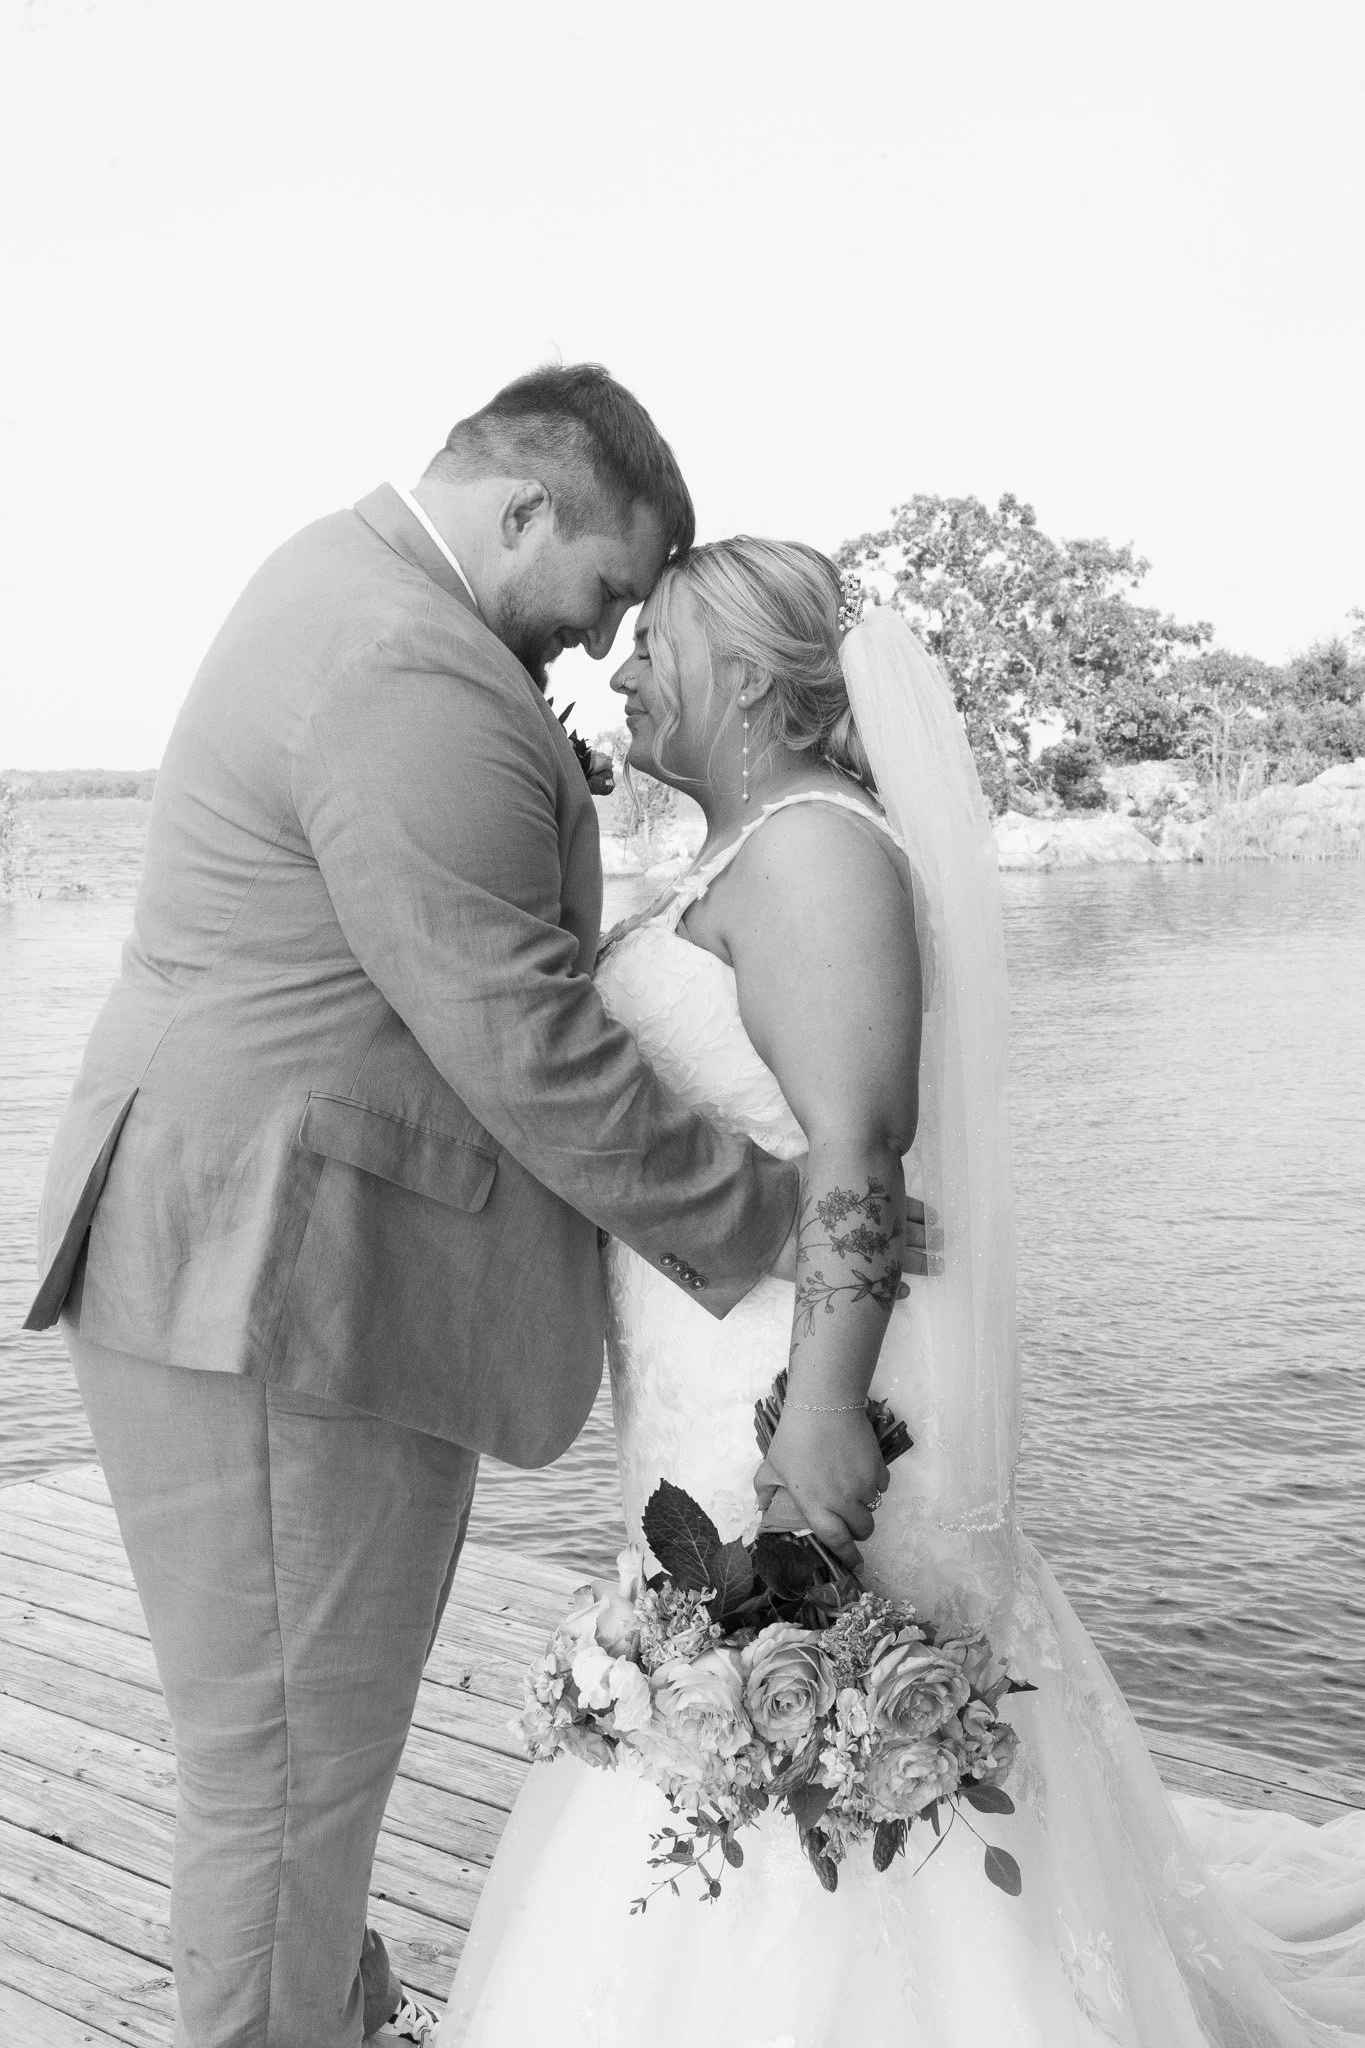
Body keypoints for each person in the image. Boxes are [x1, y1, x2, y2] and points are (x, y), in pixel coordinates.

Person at [439, 539, 1365, 2045]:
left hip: (790, 1384)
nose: (630, 669)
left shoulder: (813, 851)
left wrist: (814, 1422)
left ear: (747, 674)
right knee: (730, 1709)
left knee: (816, 1690)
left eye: (661, 642)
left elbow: (861, 1147)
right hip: (706, 1369)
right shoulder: (749, 851)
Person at [24, 369, 819, 2048]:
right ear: (524, 511)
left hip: (267, 1267)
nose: (610, 641)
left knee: (296, 1759)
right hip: (272, 1286)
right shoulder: (411, 664)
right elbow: (515, 1029)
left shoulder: (355, 592)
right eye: (609, 587)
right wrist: (765, 1225)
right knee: (286, 1777)